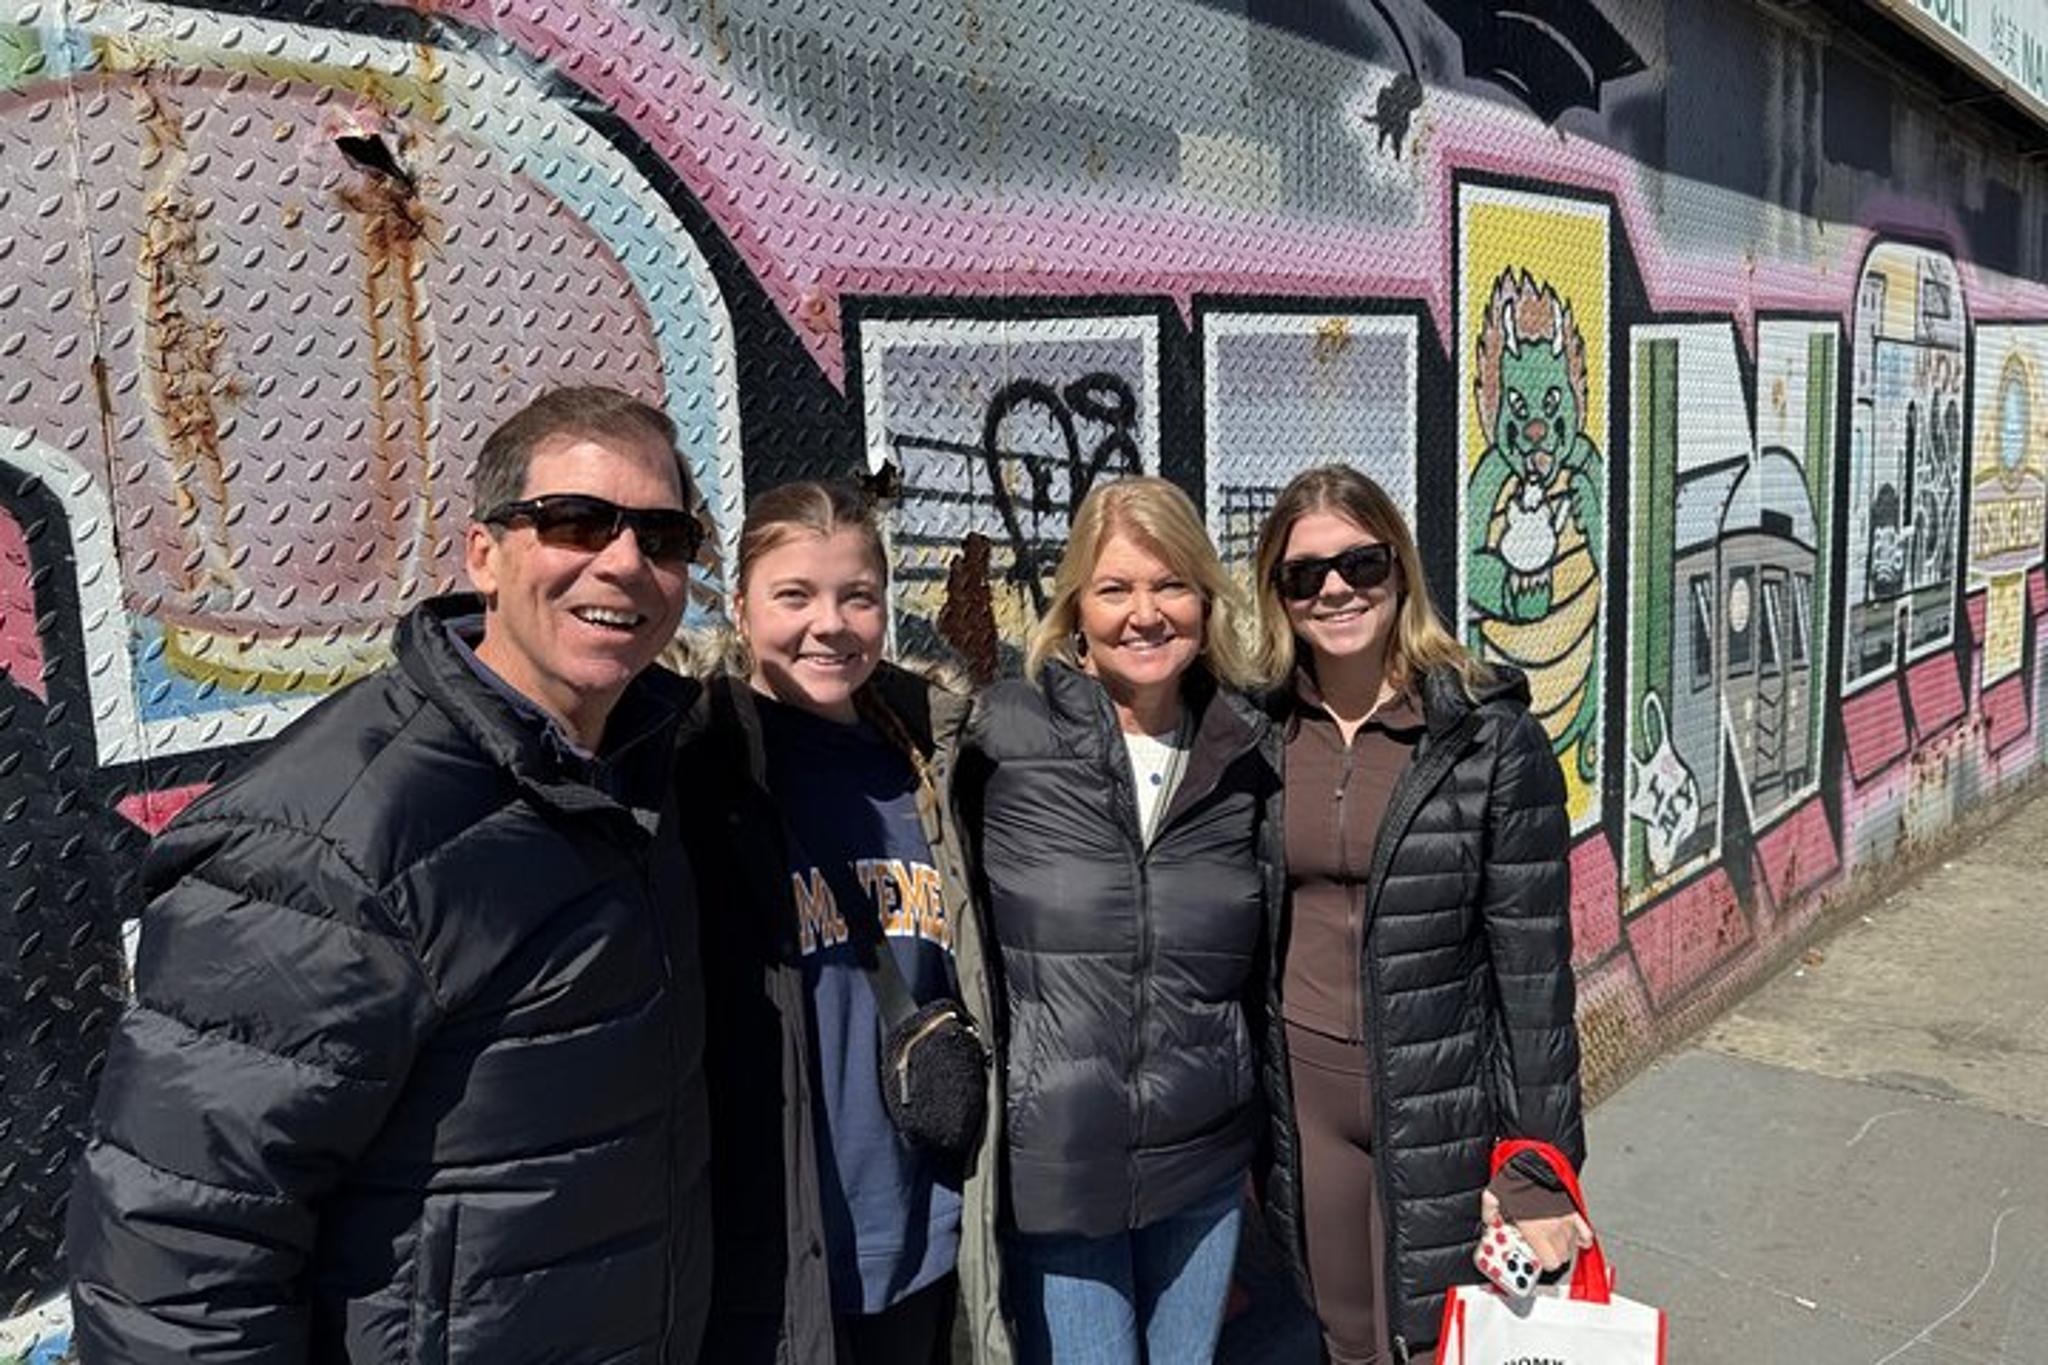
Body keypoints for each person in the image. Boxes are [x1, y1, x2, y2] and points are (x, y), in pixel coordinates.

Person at [65, 387, 713, 1362]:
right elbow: (178, 1251)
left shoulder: (653, 769)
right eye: (575, 522)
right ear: (484, 555)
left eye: (661, 536)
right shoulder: (329, 844)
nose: (623, 560)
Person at [1248, 465, 1588, 1365]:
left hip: (1445, 1101)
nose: (1335, 589)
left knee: (1452, 1341)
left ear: (1400, 570)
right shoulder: (1255, 734)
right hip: (1305, 1096)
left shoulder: (1487, 736)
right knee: (1343, 1337)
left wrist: (1538, 1167)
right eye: (1304, 574)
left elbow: (1534, 976)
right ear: (1277, 596)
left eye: (1361, 563)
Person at [678, 481, 1010, 1364]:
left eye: (857, 596)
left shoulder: (934, 763)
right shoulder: (695, 767)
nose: (829, 623)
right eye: (794, 595)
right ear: (742, 608)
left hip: (925, 1224)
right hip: (776, 1243)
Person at [962, 477, 1278, 1365]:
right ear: (1074, 608)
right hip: (1059, 1165)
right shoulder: (1003, 736)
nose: (1146, 613)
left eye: (1171, 584)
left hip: (1203, 1162)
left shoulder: (1243, 751)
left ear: (1206, 598)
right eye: (1115, 589)